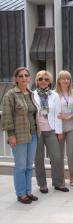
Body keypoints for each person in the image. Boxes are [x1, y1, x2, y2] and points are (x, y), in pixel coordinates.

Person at [2, 67, 38, 204]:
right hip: (19, 135)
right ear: (16, 79)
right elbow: (6, 117)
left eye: (26, 76)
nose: (24, 78)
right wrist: (11, 135)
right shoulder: (10, 95)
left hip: (33, 135)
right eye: (21, 76)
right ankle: (21, 193)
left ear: (29, 78)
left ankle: (28, 191)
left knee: (29, 166)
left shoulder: (30, 94)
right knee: (20, 166)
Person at [34, 70, 69, 194]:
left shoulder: (54, 95)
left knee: (57, 157)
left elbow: (58, 115)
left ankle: (58, 183)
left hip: (51, 130)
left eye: (46, 79)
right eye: (40, 79)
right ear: (37, 81)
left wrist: (59, 132)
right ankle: (42, 184)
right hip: (37, 132)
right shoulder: (32, 95)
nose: (43, 81)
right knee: (38, 159)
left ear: (50, 81)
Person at [55, 70, 73, 186]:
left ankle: (72, 176)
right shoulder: (54, 94)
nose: (66, 80)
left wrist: (68, 116)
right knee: (59, 154)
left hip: (72, 127)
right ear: (58, 80)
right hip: (59, 128)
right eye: (63, 78)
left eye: (68, 78)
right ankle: (60, 177)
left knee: (71, 152)